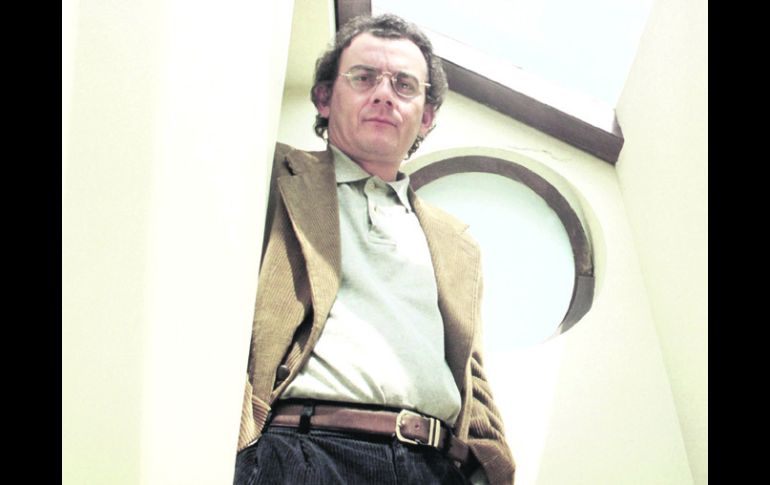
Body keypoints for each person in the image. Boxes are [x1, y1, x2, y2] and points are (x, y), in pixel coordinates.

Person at [234, 13, 515, 485]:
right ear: (324, 98)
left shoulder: (456, 242)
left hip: (436, 465)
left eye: (404, 85)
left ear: (426, 116)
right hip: (302, 453)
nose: (384, 94)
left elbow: (473, 374)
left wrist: (490, 467)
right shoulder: (272, 173)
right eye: (364, 78)